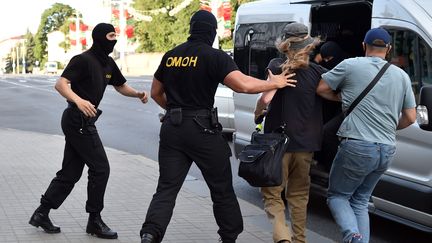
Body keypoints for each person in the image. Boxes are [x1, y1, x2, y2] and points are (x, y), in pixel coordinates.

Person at [139, 10, 296, 243]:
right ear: (212, 32)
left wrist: (173, 111)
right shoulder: (214, 56)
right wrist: (273, 82)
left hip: (172, 128)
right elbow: (241, 85)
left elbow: (155, 93)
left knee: (167, 187)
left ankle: (150, 234)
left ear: (192, 28)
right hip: (201, 129)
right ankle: (229, 236)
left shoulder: (171, 55)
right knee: (221, 187)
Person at [29, 23, 148, 239]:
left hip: (83, 121)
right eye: (111, 35)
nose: (115, 39)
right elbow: (61, 84)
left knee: (71, 172)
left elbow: (121, 86)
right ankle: (94, 220)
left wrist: (138, 94)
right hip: (77, 119)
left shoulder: (109, 63)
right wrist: (78, 100)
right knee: (101, 168)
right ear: (100, 37)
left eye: (116, 35)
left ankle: (41, 213)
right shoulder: (83, 60)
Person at [316, 28, 417, 243]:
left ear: (364, 46)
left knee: (338, 196)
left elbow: (322, 88)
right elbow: (410, 117)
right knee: (360, 201)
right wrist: (387, 126)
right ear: (388, 49)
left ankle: (352, 235)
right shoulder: (402, 76)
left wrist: (345, 99)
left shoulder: (351, 65)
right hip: (386, 149)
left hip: (357, 146)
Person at [253, 22, 326, 243]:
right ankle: (299, 240)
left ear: (284, 44)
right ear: (309, 44)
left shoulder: (277, 66)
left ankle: (282, 237)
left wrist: (258, 113)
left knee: (273, 193)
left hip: (278, 144)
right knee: (299, 196)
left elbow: (266, 98)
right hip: (306, 145)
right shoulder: (317, 72)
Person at [314, 41, 348, 171]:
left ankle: (330, 168)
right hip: (331, 104)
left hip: (343, 106)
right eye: (325, 59)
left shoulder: (347, 64)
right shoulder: (328, 64)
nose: (328, 61)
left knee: (328, 132)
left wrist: (338, 99)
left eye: (330, 58)